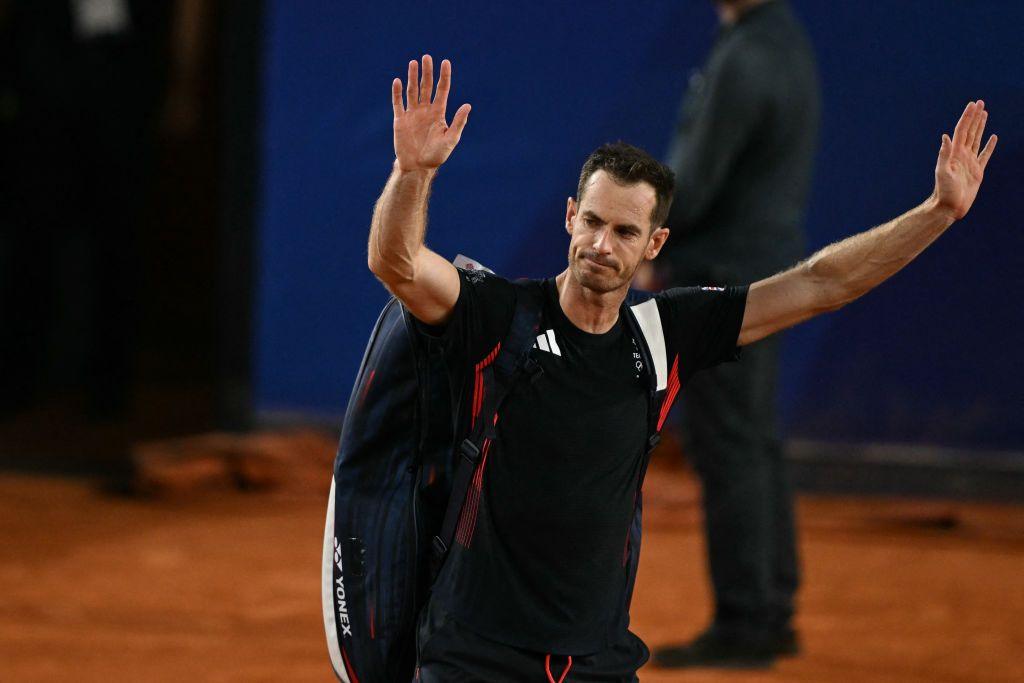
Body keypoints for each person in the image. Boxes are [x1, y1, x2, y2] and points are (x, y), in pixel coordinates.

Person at [368, 54, 996, 682]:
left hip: (597, 660)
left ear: (655, 244)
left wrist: (937, 212)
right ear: (569, 216)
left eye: (624, 231)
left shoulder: (664, 334)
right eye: (590, 222)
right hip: (475, 654)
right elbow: (396, 264)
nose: (601, 246)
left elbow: (821, 284)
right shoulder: (499, 314)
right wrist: (412, 173)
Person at [649, 0, 820, 667]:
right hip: (757, 273)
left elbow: (693, 184)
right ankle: (771, 607)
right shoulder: (781, 44)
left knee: (729, 446)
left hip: (724, 280)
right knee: (752, 440)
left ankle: (748, 619)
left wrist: (648, 241)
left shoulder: (747, 58)